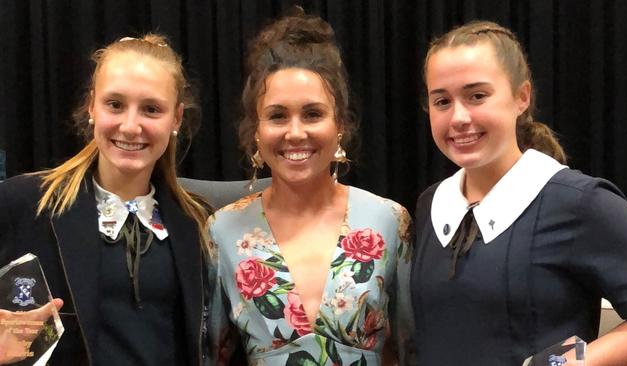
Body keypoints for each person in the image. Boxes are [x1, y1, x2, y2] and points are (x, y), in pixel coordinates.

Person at [411, 20, 627, 365]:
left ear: (521, 97)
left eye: (477, 95)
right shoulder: (431, 204)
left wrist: (562, 362)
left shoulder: (578, 201)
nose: (459, 117)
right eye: (442, 101)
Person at [207, 10, 415, 366]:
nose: (295, 132)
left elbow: (413, 351)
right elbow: (211, 355)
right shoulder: (222, 231)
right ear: (255, 130)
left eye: (313, 114)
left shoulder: (389, 221)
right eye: (277, 116)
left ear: (340, 126)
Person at [0, 34, 214, 365]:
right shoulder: (22, 204)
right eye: (114, 104)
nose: (130, 126)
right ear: (92, 107)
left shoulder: (196, 222)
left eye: (151, 109)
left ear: (176, 119)